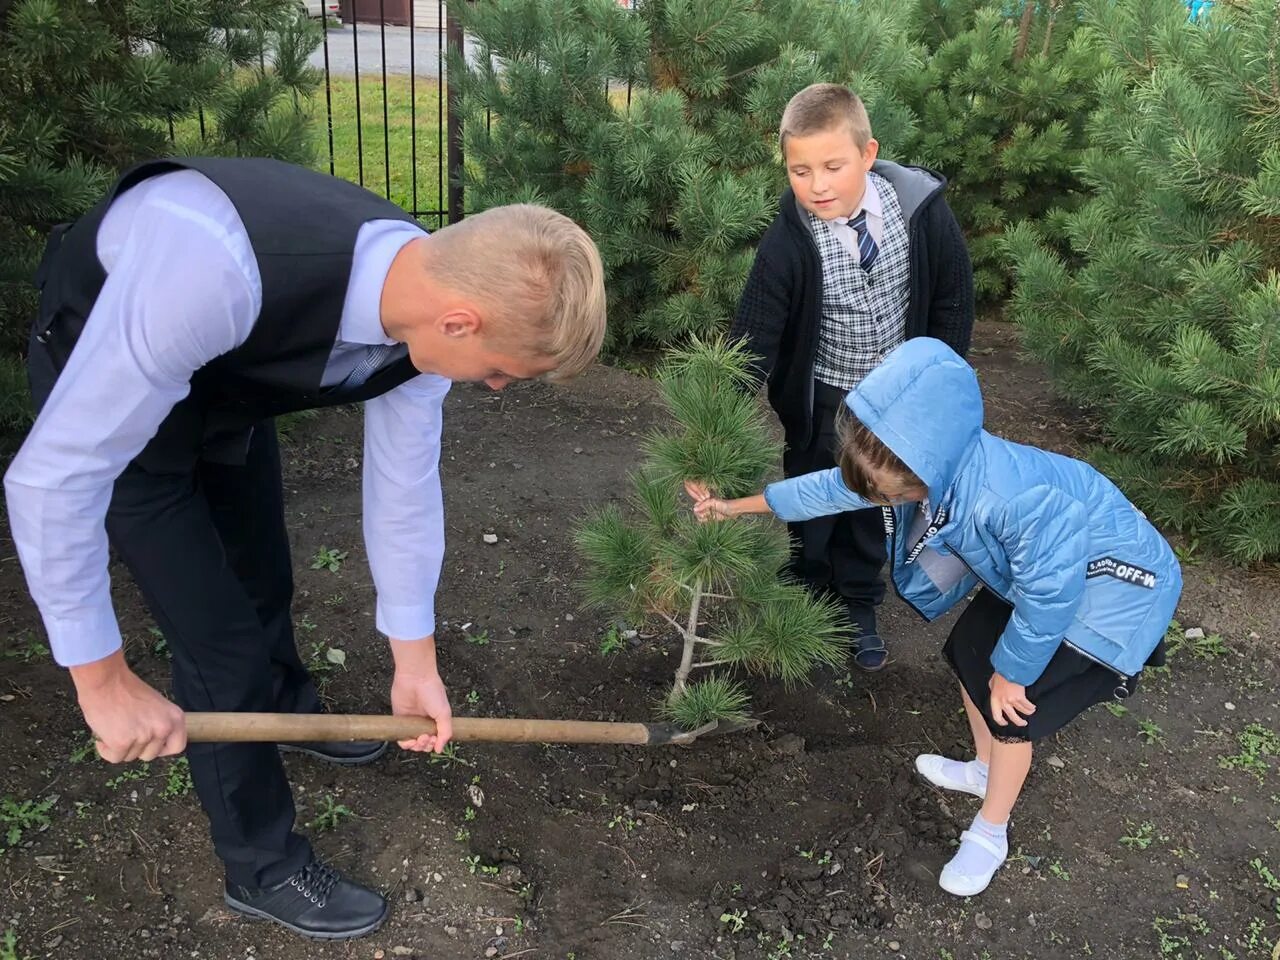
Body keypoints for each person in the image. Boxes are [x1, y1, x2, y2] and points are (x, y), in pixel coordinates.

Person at [4, 156, 606, 939]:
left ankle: (285, 711)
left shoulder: (426, 305)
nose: (493, 388)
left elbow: (403, 489)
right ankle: (263, 866)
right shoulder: (210, 266)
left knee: (264, 577)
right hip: (115, 396)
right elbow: (52, 479)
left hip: (221, 391)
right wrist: (102, 678)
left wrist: (414, 663)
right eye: (499, 372)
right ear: (460, 321)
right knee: (221, 654)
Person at [685, 337, 1180, 897]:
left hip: (1114, 594)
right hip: (1050, 576)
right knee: (971, 654)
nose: (881, 500)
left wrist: (1015, 672)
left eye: (889, 495)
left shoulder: (1011, 499)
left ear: (925, 474)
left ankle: (991, 834)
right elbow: (834, 490)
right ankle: (982, 769)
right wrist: (732, 507)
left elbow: (1052, 593)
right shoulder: (923, 455)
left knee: (1015, 709)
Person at [730, 82, 975, 671]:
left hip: (895, 406)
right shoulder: (789, 241)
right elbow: (755, 333)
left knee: (873, 505)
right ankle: (806, 598)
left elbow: (951, 303)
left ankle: (858, 603)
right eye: (800, 170)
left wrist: (934, 393)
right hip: (822, 398)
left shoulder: (921, 214)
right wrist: (720, 412)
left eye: (833, 167)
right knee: (813, 498)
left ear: (868, 155)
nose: (817, 185)